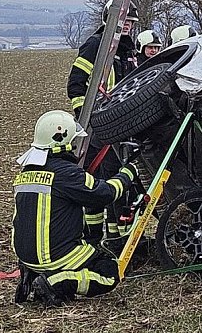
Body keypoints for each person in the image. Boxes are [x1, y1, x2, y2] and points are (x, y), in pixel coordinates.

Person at [12, 110, 139, 306]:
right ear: (63, 141)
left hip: (26, 255)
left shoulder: (28, 170)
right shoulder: (66, 173)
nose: (75, 147)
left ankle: (33, 273)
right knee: (110, 273)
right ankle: (56, 282)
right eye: (73, 141)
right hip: (54, 256)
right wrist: (128, 173)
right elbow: (104, 194)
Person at [66, 1, 139, 241]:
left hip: (126, 127)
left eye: (130, 22)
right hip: (101, 129)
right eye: (123, 21)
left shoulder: (129, 51)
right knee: (102, 182)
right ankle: (95, 238)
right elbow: (76, 84)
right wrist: (87, 119)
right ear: (109, 20)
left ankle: (120, 237)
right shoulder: (96, 46)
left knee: (123, 183)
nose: (127, 25)